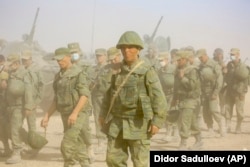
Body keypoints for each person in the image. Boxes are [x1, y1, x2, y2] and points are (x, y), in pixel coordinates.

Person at [99, 31, 167, 167]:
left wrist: (157, 121)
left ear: (139, 49)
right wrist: (102, 114)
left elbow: (158, 97)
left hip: (139, 124)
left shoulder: (147, 70)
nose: (126, 50)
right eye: (123, 48)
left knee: (140, 163)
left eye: (130, 47)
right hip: (117, 123)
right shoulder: (116, 71)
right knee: (113, 160)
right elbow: (108, 95)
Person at [41, 47, 91, 167]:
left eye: (61, 59)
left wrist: (75, 113)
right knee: (77, 142)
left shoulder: (78, 73)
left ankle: (68, 164)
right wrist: (47, 115)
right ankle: (85, 164)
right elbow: (56, 99)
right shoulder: (58, 76)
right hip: (65, 113)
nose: (59, 62)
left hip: (78, 113)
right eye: (57, 60)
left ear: (69, 57)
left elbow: (84, 95)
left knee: (67, 144)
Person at [68, 42, 95, 163]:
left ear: (80, 53)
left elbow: (89, 83)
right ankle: (75, 152)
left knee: (84, 129)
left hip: (83, 103)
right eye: (71, 53)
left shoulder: (86, 67)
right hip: (70, 104)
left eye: (75, 52)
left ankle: (89, 147)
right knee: (71, 129)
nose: (74, 55)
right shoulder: (66, 67)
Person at [5, 53, 32, 164]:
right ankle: (31, 144)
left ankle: (16, 153)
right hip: (10, 106)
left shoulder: (25, 74)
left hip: (19, 106)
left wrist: (28, 106)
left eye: (11, 64)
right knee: (12, 128)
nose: (9, 66)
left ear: (16, 64)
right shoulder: (10, 73)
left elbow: (29, 91)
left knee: (15, 129)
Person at [171, 50, 202, 150]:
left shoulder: (192, 70)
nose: (177, 62)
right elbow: (176, 86)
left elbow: (193, 86)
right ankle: (199, 141)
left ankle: (183, 143)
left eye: (179, 60)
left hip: (191, 99)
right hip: (182, 99)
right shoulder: (178, 70)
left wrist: (182, 78)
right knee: (192, 121)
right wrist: (174, 98)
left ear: (184, 59)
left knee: (184, 120)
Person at [20, 50, 45, 155]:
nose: (24, 61)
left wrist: (37, 101)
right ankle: (22, 144)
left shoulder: (37, 70)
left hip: (32, 103)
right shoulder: (20, 70)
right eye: (23, 60)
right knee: (17, 125)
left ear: (30, 59)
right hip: (20, 102)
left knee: (32, 126)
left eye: (26, 59)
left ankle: (34, 148)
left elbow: (41, 85)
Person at [197, 49, 225, 137]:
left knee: (213, 110)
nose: (200, 59)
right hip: (203, 92)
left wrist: (215, 92)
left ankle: (221, 127)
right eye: (199, 58)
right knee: (205, 112)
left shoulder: (214, 64)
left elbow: (219, 79)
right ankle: (210, 129)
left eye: (201, 57)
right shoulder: (200, 66)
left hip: (212, 91)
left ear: (205, 55)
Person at [224, 48, 248, 134]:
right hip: (230, 91)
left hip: (239, 92)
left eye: (233, 54)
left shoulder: (243, 66)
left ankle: (238, 126)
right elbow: (226, 78)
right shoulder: (229, 65)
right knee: (227, 109)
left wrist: (243, 92)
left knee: (239, 111)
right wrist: (225, 73)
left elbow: (245, 81)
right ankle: (228, 126)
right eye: (231, 54)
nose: (232, 56)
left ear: (238, 55)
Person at [157, 52, 178, 142]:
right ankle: (169, 133)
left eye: (162, 60)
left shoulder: (173, 69)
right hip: (164, 94)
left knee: (172, 113)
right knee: (164, 113)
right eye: (159, 60)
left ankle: (174, 134)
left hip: (173, 93)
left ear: (167, 60)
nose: (161, 62)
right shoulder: (160, 70)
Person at [90, 48, 108, 153]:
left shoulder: (109, 68)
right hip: (97, 97)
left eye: (100, 55)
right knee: (98, 118)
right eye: (97, 56)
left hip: (108, 97)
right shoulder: (94, 69)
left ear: (105, 56)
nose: (98, 58)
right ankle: (101, 142)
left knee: (110, 118)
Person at [0, 55, 11, 157]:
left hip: (4, 105)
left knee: (5, 127)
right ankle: (7, 149)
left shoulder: (6, 71)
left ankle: (8, 149)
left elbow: (4, 86)